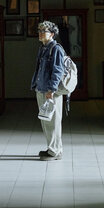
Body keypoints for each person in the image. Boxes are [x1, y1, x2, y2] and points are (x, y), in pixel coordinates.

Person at [31, 21, 65, 161]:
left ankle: (55, 151)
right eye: (39, 31)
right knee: (46, 121)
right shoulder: (43, 48)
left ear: (51, 33)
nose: (40, 34)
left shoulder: (56, 49)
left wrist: (52, 89)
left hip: (50, 91)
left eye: (43, 31)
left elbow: (58, 71)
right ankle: (52, 148)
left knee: (54, 122)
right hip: (41, 88)